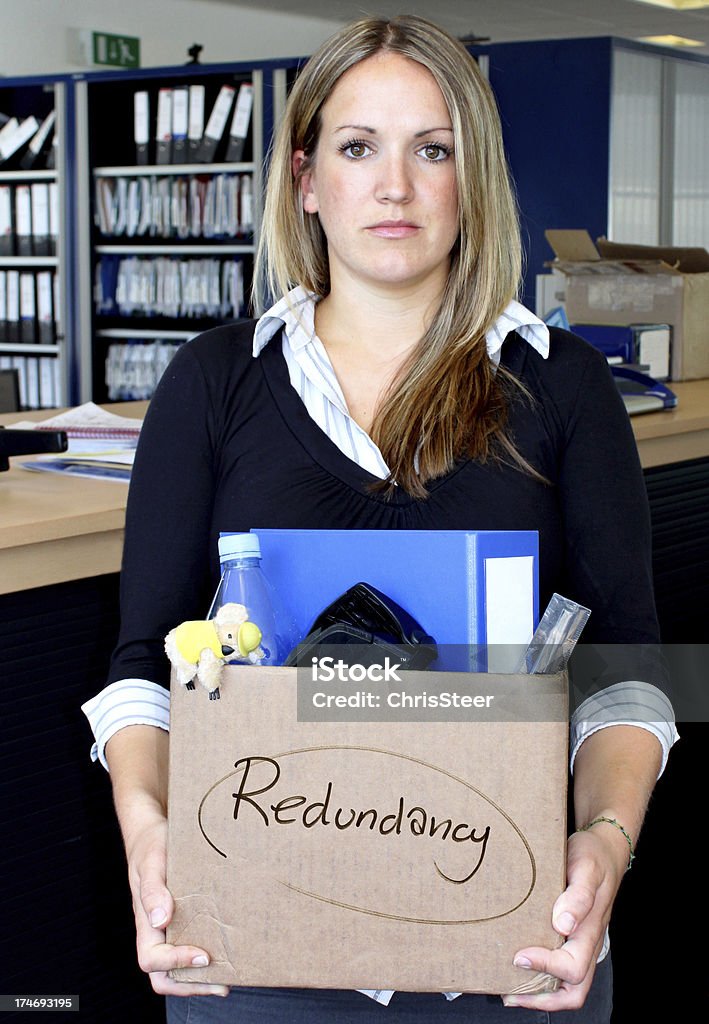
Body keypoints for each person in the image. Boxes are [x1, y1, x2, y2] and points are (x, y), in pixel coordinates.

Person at [82, 14, 677, 1023]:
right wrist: (148, 833)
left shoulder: (565, 388)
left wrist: (605, 842)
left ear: (470, 178)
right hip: (252, 939)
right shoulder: (215, 384)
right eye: (358, 147)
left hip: (514, 942)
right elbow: (143, 660)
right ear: (307, 180)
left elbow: (631, 674)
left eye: (431, 149)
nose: (394, 186)